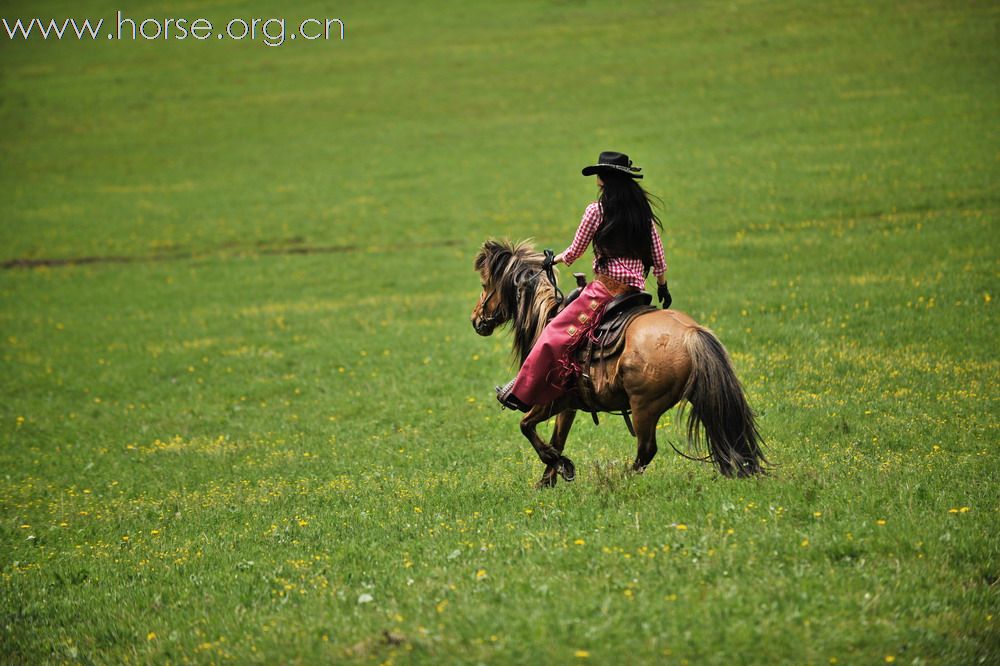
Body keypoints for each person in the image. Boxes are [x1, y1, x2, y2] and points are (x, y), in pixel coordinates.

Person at [496, 151, 672, 411]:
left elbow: (576, 250)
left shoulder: (596, 211)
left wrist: (552, 260)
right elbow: (659, 258)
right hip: (636, 292)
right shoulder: (643, 215)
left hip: (605, 291)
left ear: (604, 180)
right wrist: (662, 286)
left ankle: (521, 392)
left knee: (553, 335)